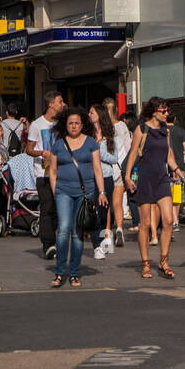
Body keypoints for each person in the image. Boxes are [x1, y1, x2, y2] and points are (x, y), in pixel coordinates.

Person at [124, 97, 183, 280]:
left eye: (168, 111)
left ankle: (164, 261)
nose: (167, 114)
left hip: (161, 179)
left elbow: (169, 156)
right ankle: (145, 263)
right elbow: (133, 153)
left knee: (167, 221)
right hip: (144, 178)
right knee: (145, 225)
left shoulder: (166, 130)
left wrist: (181, 173)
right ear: (154, 112)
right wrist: (127, 176)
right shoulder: (141, 129)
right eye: (163, 111)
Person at [48, 107, 107, 287]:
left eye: (77, 123)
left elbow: (97, 169)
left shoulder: (90, 143)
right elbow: (52, 171)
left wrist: (102, 192)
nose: (73, 126)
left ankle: (74, 273)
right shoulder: (58, 144)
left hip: (85, 192)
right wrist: (55, 191)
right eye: (70, 123)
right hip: (63, 191)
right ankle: (59, 272)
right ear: (65, 125)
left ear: (82, 125)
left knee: (77, 233)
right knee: (64, 229)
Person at [26, 91, 66, 260]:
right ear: (51, 104)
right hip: (42, 173)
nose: (62, 104)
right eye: (60, 101)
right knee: (47, 206)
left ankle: (55, 240)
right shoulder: (37, 125)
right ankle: (48, 243)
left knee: (58, 208)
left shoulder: (61, 124)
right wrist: (41, 153)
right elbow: (29, 149)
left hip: (60, 171)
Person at [150, 113, 185, 242]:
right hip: (174, 166)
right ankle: (175, 219)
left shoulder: (164, 131)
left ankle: (169, 222)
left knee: (165, 197)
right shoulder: (180, 131)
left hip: (167, 167)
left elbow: (168, 151)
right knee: (176, 194)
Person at [89, 103, 122, 258]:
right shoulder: (87, 135)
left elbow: (115, 158)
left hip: (107, 176)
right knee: (94, 212)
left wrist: (99, 153)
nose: (90, 115)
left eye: (92, 112)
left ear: (100, 115)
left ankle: (103, 239)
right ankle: (96, 245)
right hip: (91, 177)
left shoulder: (109, 136)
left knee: (103, 212)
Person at [103, 96, 132, 245]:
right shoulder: (122, 126)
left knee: (106, 204)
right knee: (118, 202)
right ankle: (119, 228)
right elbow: (128, 148)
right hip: (120, 168)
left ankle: (107, 233)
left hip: (106, 169)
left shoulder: (101, 128)